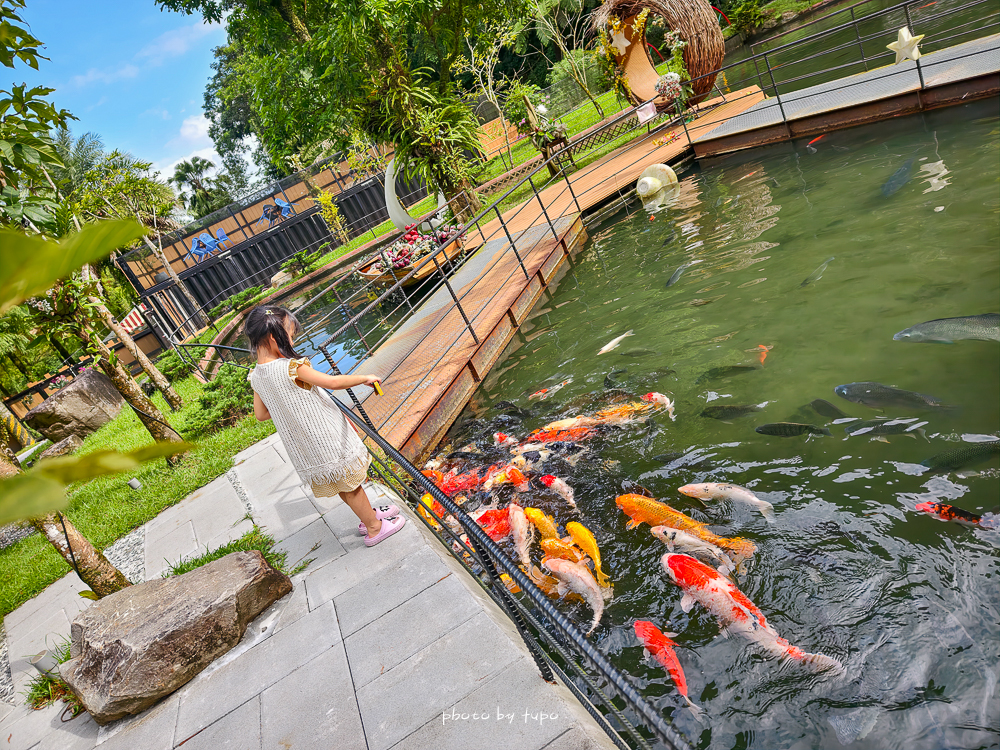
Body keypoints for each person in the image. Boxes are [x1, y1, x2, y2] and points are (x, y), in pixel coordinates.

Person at [244, 305, 405, 546]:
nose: (291, 339)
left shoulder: (256, 375)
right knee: (351, 484)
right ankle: (374, 528)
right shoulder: (291, 368)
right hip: (325, 436)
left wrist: (285, 405)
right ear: (272, 337)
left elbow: (261, 414)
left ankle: (368, 516)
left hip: (306, 444)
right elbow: (333, 382)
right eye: (289, 334)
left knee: (343, 484)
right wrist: (365, 378)